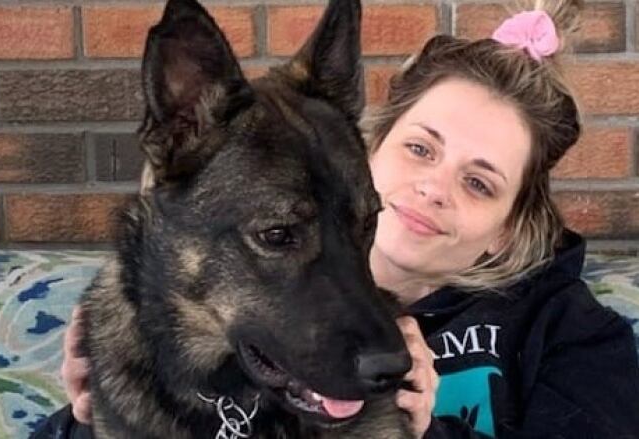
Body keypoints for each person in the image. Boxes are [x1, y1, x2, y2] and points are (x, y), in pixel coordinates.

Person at [40, 0, 639, 437]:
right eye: (420, 148)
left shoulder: (575, 336)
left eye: (479, 182)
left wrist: (425, 433)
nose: (433, 187)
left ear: (509, 226)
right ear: (368, 152)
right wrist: (86, 421)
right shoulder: (215, 325)